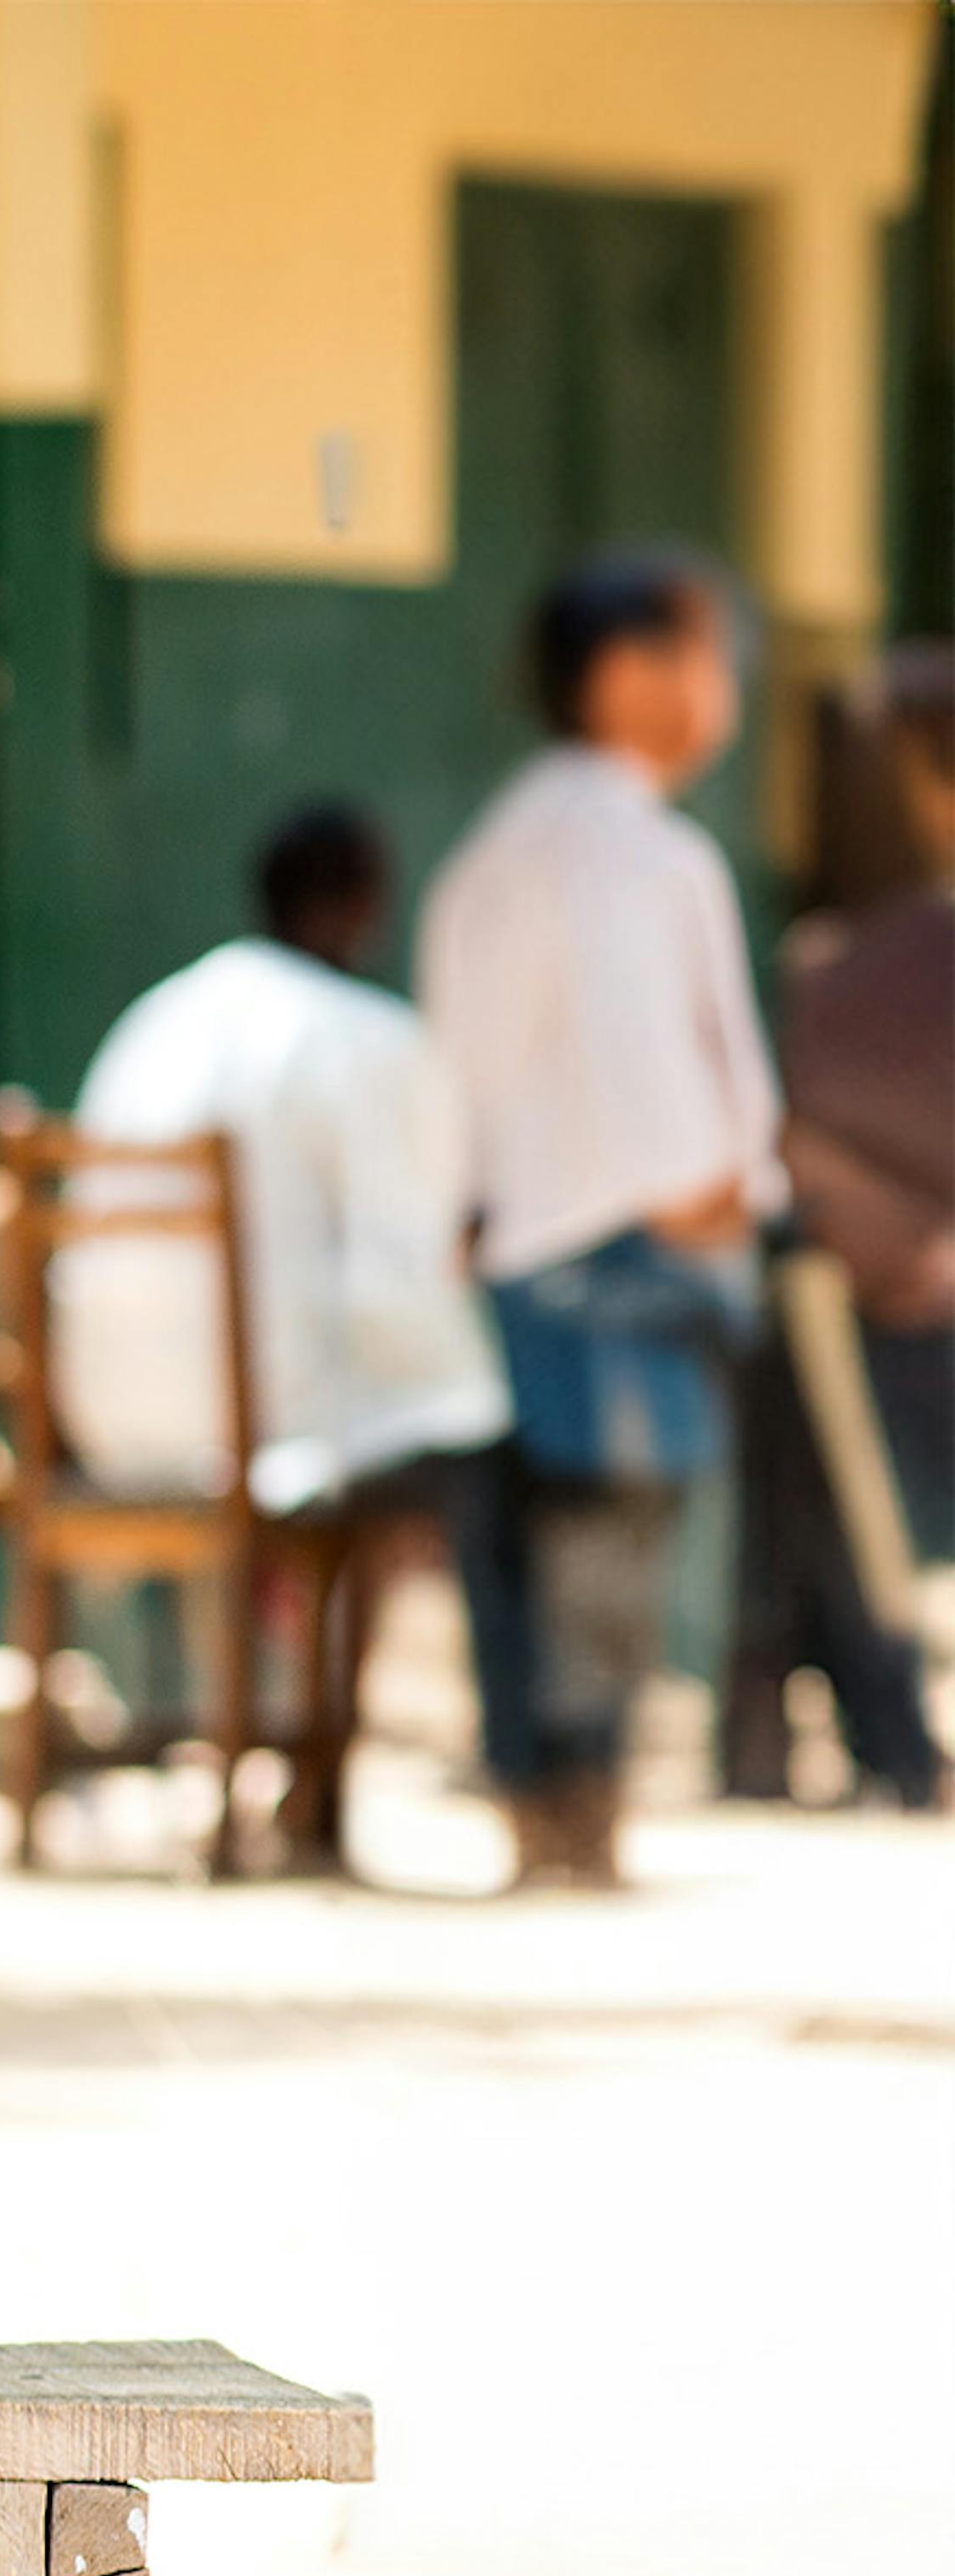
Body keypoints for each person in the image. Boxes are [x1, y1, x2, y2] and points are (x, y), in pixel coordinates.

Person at [418, 551, 785, 1887]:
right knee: (614, 1536)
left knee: (520, 1534)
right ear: (630, 677)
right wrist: (710, 1188)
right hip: (632, 1242)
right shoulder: (643, 858)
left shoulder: (493, 854)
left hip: (508, 1243)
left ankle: (536, 1801)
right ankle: (586, 1800)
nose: (721, 691)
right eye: (706, 659)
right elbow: (664, 1069)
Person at [55, 801, 514, 1865]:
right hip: (259, 1423)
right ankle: (327, 1766)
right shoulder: (359, 1036)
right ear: (364, 907)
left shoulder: (155, 1021)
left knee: (365, 1429)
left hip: (107, 1415)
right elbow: (404, 1275)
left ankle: (291, 1744)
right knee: (436, 1451)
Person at [745, 650, 955, 1811]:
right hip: (867, 1319)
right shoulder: (836, 963)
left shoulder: (835, 962)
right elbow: (784, 1139)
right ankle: (895, 1740)